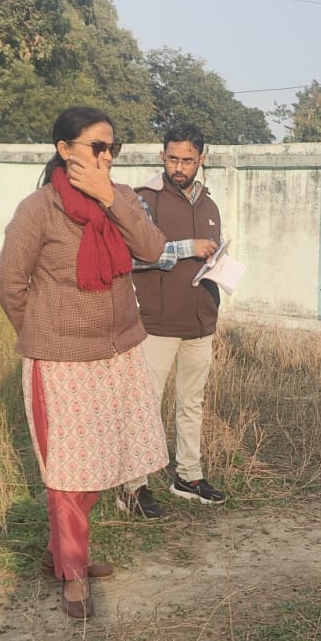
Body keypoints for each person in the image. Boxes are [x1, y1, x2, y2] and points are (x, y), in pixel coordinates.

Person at [0, 106, 169, 619]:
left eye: (113, 147)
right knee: (70, 473)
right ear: (64, 149)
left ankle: (61, 554)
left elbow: (153, 248)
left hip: (117, 354)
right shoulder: (38, 210)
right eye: (97, 146)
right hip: (61, 361)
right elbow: (10, 286)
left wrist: (108, 197)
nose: (107, 155)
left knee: (102, 462)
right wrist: (46, 334)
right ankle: (72, 572)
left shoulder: (124, 198)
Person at [116, 123, 226, 519]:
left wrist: (219, 262)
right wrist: (187, 248)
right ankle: (133, 486)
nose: (179, 167)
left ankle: (188, 476)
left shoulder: (209, 205)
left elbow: (208, 255)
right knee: (144, 405)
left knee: (192, 403)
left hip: (200, 320)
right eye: (173, 159)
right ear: (161, 156)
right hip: (156, 322)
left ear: (201, 159)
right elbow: (134, 255)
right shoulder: (143, 199)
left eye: (188, 160)